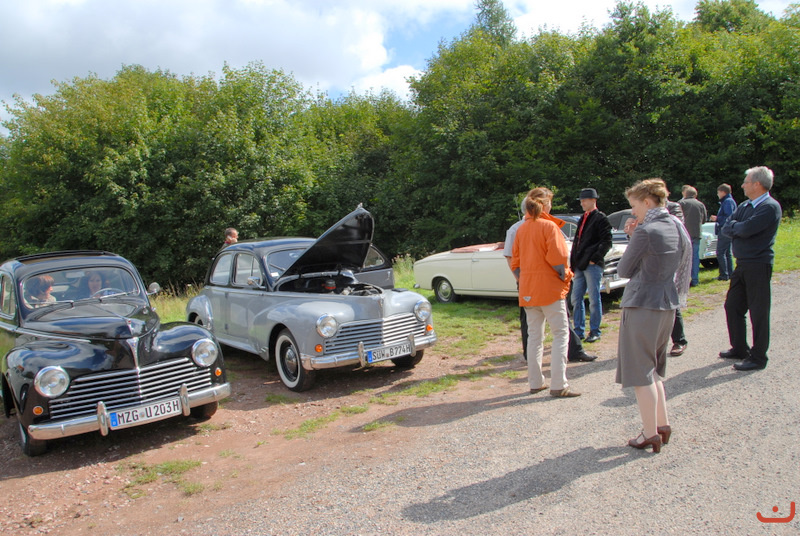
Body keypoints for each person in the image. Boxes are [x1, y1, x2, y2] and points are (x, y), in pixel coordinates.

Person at [617, 179, 691, 453]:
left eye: (634, 206)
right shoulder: (675, 224)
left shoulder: (646, 230)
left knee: (641, 373)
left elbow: (624, 269)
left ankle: (649, 434)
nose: (633, 211)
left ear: (647, 202)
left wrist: (634, 236)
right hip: (667, 303)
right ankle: (662, 424)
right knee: (655, 369)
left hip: (643, 304)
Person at [504, 198, 597, 363]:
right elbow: (512, 258)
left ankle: (573, 351)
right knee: (548, 330)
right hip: (540, 284)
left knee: (552, 326)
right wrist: (565, 277)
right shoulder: (521, 228)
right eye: (547, 204)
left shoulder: (538, 225)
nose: (550, 207)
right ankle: (543, 365)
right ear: (540, 206)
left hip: (540, 283)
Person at [511, 188, 580, 398]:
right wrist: (566, 278)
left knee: (534, 337)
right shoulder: (549, 226)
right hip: (549, 290)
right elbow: (559, 259)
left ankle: (535, 382)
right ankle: (558, 384)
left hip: (528, 290)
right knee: (560, 334)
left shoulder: (521, 229)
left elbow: (515, 264)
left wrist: (525, 282)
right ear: (545, 204)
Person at [719, 166, 782, 371]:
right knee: (732, 306)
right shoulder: (745, 205)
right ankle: (739, 348)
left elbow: (746, 229)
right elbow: (726, 227)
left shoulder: (769, 207)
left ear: (757, 184)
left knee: (758, 311)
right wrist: (738, 228)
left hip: (758, 264)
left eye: (746, 182)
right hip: (742, 263)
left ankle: (758, 357)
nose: (742, 185)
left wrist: (738, 228)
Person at [569, 188, 612, 344]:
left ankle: (595, 330)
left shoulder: (600, 218)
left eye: (584, 200)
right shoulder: (583, 218)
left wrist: (595, 258)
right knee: (576, 298)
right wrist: (573, 262)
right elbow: (577, 241)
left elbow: (607, 241)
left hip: (592, 265)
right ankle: (578, 331)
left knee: (594, 299)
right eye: (581, 200)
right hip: (580, 264)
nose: (582, 203)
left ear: (593, 200)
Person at [678, 186, 707, 287]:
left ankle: (682, 280)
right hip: (696, 233)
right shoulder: (700, 204)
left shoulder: (682, 203)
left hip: (684, 233)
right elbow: (704, 220)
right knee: (695, 257)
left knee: (683, 257)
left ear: (685, 194)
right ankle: (695, 279)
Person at [710, 184, 737, 281]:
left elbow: (728, 217)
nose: (717, 194)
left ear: (723, 192)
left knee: (720, 252)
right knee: (727, 253)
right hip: (728, 230)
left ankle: (724, 275)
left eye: (718, 192)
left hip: (725, 230)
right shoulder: (729, 201)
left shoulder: (727, 202)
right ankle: (730, 273)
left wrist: (717, 218)